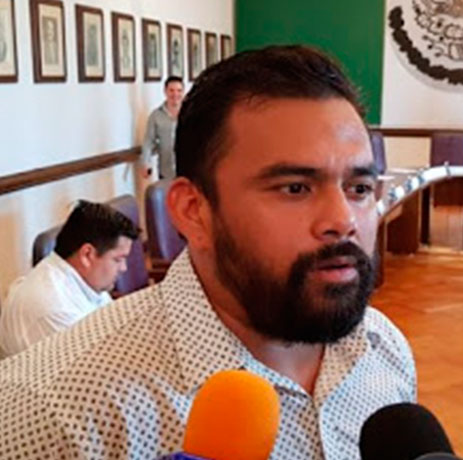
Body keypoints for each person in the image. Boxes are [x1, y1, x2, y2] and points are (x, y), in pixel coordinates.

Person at [0, 46, 416, 459]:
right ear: (193, 211)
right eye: (295, 188)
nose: (343, 220)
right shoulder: (50, 413)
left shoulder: (384, 347)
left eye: (359, 189)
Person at [0, 201, 138, 357]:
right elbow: (100, 363)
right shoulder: (56, 309)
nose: (123, 268)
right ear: (87, 254)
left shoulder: (84, 279)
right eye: (118, 259)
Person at [141, 76, 184, 179]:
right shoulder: (156, 115)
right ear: (165, 91)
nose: (175, 94)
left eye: (179, 90)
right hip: (166, 172)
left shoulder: (190, 113)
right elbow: (148, 141)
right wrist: (146, 163)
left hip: (188, 172)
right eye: (171, 90)